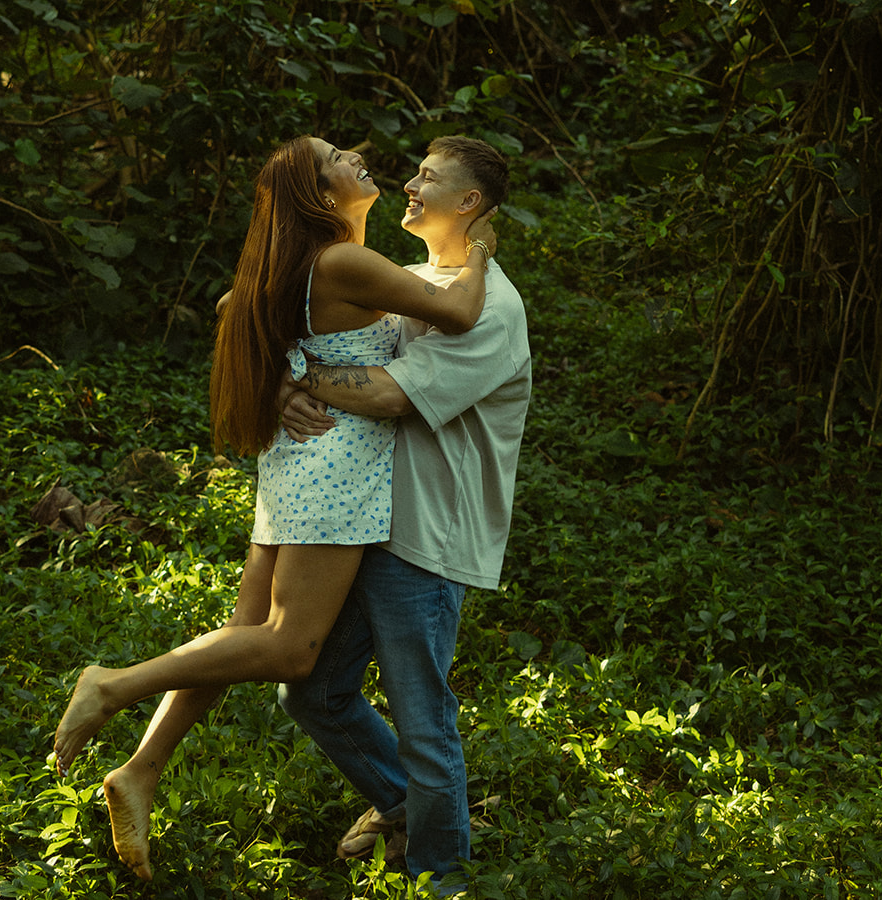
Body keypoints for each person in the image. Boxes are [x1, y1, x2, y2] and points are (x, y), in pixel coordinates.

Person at [52, 135, 499, 882]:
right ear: (321, 197)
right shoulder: (343, 260)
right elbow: (454, 314)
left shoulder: (300, 263)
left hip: (296, 462)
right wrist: (480, 253)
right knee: (292, 646)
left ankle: (143, 769)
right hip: (337, 463)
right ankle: (114, 684)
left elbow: (237, 305)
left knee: (243, 633)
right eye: (337, 157)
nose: (357, 154)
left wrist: (291, 373)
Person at [277, 135, 531, 895]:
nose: (409, 186)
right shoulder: (418, 279)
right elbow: (270, 310)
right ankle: (404, 804)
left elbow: (387, 394)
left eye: (429, 178)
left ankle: (439, 873)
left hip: (425, 534)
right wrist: (272, 385)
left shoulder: (493, 307)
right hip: (363, 521)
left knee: (425, 718)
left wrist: (301, 375)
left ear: (470, 204)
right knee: (312, 692)